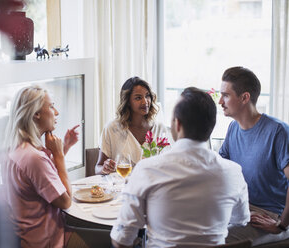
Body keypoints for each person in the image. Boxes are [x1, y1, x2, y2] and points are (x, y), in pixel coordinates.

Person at [110, 87, 250, 247]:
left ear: (177, 124)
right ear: (211, 126)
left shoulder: (147, 170)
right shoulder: (233, 172)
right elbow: (241, 220)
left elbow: (121, 240)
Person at [1, 85, 80, 248]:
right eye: (51, 106)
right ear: (36, 113)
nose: (56, 112)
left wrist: (64, 147)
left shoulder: (17, 150)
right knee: (115, 238)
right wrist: (59, 156)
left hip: (29, 239)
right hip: (50, 241)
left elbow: (41, 179)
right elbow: (66, 201)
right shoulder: (34, 158)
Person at [218, 66, 289, 245]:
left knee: (217, 238)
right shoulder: (233, 128)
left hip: (268, 216)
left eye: (225, 95)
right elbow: (218, 170)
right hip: (240, 210)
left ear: (244, 98)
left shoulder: (278, 131)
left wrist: (282, 225)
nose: (220, 101)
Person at [95, 76, 172, 175]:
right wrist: (105, 168)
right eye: (138, 98)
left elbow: (168, 165)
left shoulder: (160, 128)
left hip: (151, 187)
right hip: (121, 188)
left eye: (147, 96)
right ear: (128, 102)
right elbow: (98, 167)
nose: (145, 101)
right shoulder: (112, 129)